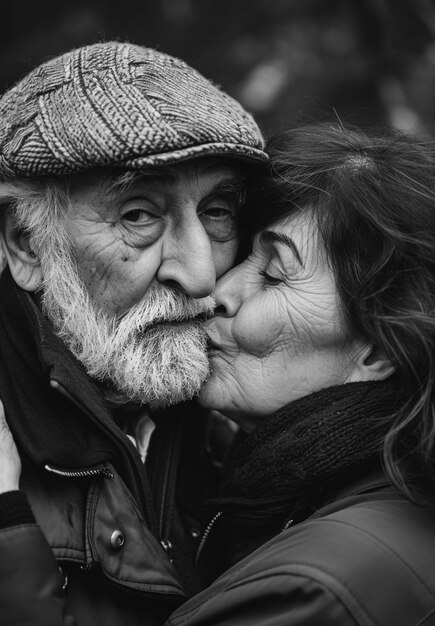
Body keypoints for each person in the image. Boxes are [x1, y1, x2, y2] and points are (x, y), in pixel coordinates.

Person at [0, 41, 266, 626]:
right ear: (25, 244)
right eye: (138, 215)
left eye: (218, 209)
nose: (200, 275)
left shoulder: (227, 414)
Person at [164, 123, 435, 625]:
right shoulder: (311, 500)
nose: (216, 291)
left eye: (272, 274)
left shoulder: (313, 589)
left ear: (377, 351)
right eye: (241, 256)